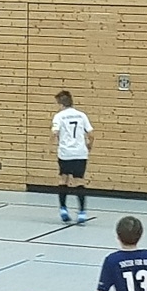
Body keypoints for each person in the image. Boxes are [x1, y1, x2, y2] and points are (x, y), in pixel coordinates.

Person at [51, 90, 93, 224]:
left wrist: (52, 141)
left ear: (60, 104)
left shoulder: (59, 116)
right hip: (80, 152)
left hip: (65, 153)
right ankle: (82, 213)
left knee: (63, 179)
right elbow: (91, 134)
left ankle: (63, 209)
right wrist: (89, 145)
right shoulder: (81, 115)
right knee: (79, 181)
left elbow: (55, 132)